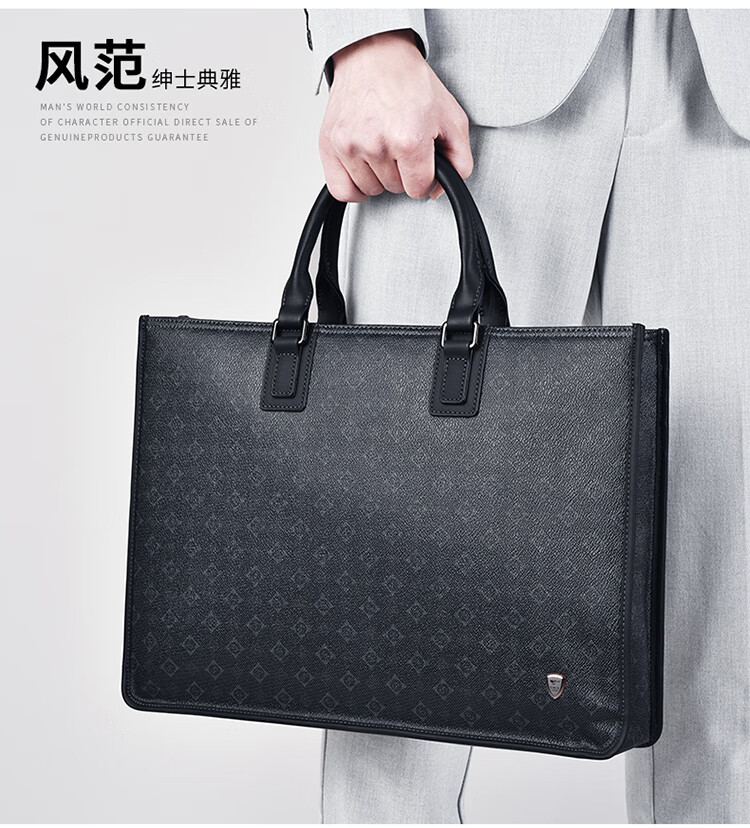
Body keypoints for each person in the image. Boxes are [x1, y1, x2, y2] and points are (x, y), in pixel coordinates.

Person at [304, 9, 750, 824]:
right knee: (395, 653)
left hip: (730, 90)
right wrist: (364, 35)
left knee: (729, 669)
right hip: (465, 78)